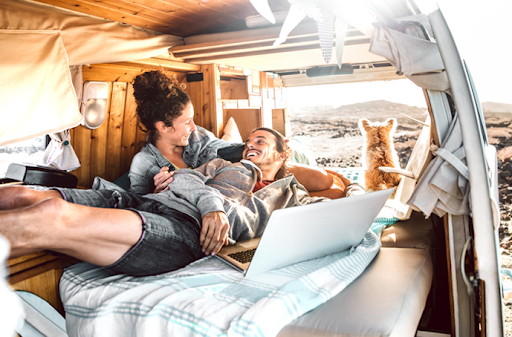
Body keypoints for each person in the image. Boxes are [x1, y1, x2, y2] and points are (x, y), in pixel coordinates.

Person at [0, 128, 322, 277]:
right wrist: (212, 206)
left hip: (182, 229)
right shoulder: (226, 165)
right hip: (144, 200)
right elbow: (186, 178)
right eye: (248, 140)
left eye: (260, 141)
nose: (249, 145)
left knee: (52, 214)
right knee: (20, 193)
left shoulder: (291, 195)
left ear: (282, 153)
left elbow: (328, 215)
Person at [128, 70, 350, 198]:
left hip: (240, 164)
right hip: (227, 197)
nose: (194, 127)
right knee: (330, 196)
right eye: (187, 122)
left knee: (325, 181)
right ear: (163, 127)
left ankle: (346, 185)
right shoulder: (144, 164)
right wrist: (158, 192)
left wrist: (260, 155)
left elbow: (227, 151)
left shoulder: (198, 137)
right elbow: (140, 208)